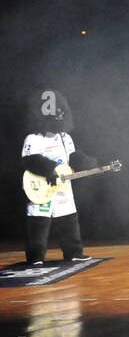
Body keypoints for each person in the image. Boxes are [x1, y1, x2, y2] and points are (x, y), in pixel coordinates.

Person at [20, 90, 96, 265]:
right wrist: (50, 171)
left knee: (69, 218)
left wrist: (85, 162)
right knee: (38, 222)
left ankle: (74, 252)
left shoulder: (66, 138)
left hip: (62, 186)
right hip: (41, 185)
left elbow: (72, 157)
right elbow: (30, 160)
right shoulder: (33, 139)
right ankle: (35, 257)